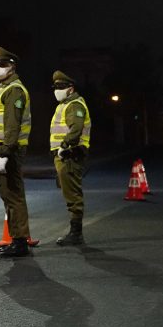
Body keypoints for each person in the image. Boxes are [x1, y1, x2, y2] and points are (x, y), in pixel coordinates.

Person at [0, 46, 33, 258]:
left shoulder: (14, 91)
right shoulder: (3, 89)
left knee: (13, 196)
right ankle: (16, 239)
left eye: (2, 65)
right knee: (8, 195)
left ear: (12, 66)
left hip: (8, 150)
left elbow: (12, 125)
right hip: (1, 149)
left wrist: (4, 153)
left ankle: (20, 242)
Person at [49, 70, 91, 246]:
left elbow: (76, 128)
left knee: (73, 195)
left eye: (61, 87)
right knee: (70, 194)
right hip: (64, 156)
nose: (57, 90)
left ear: (70, 88)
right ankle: (75, 232)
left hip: (70, 156)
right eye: (55, 87)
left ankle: (76, 234)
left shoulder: (74, 105)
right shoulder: (65, 104)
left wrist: (65, 145)